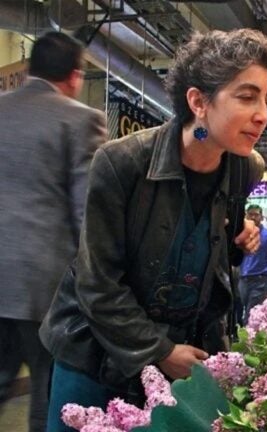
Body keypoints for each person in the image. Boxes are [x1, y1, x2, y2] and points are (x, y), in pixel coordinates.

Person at [38, 29, 267, 431]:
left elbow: (215, 250)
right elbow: (97, 285)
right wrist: (159, 350)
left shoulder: (244, 166)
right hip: (96, 354)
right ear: (198, 102)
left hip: (180, 354)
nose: (263, 114)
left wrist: (240, 242)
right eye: (246, 96)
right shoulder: (122, 163)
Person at [0, 32, 107, 432]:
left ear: (30, 68)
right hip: (43, 284)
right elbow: (87, 209)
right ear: (75, 75)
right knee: (46, 390)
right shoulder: (80, 119)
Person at [239, 204, 267, 318]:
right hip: (243, 279)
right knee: (241, 310)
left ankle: (250, 335)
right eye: (250, 214)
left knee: (252, 312)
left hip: (260, 279)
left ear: (262, 217)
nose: (253, 217)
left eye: (256, 215)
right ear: (246, 216)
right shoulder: (241, 235)